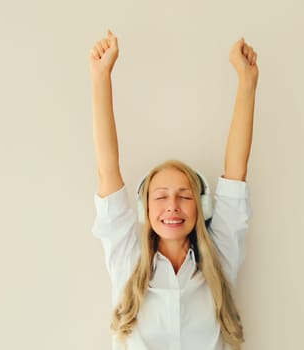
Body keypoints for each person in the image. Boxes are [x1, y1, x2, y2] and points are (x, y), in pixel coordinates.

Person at [90, 30, 258, 350]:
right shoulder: (128, 258)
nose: (172, 206)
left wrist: (247, 82)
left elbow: (236, 172)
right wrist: (101, 77)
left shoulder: (220, 257)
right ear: (145, 209)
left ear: (201, 207)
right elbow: (107, 169)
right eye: (161, 196)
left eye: (184, 196)